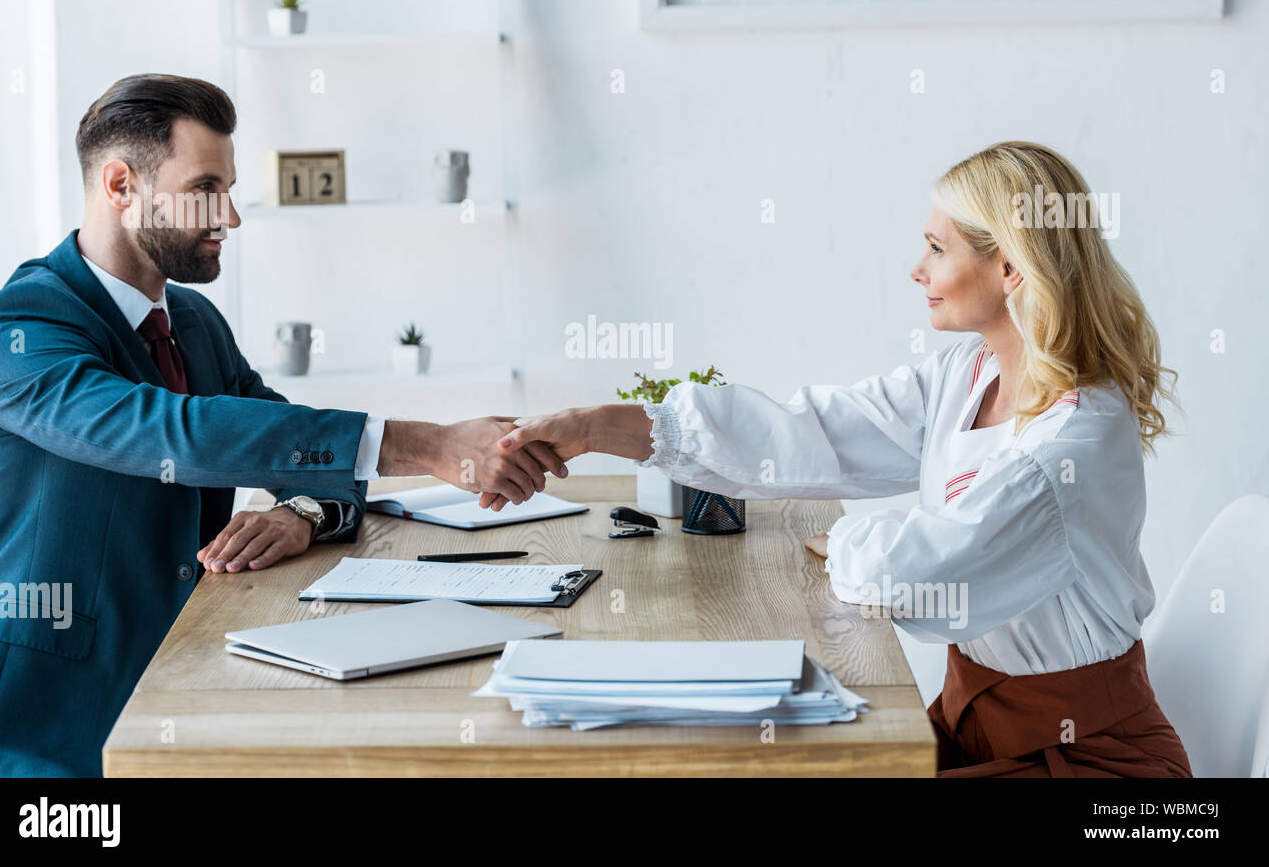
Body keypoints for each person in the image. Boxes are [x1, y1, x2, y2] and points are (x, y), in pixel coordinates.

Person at [494, 141, 1192, 778]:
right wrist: (598, 426)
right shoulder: (968, 375)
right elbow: (813, 431)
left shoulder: (1074, 440)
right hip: (975, 730)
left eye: (936, 248)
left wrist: (852, 538)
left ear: (1009, 266)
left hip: (1089, 763)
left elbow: (912, 575)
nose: (916, 268)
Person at [0, 73, 566, 776]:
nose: (231, 216)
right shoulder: (21, 329)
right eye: (206, 189)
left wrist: (304, 510)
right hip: (43, 738)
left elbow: (297, 446)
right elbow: (174, 431)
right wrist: (431, 444)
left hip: (185, 695)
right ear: (121, 185)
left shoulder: (192, 322)